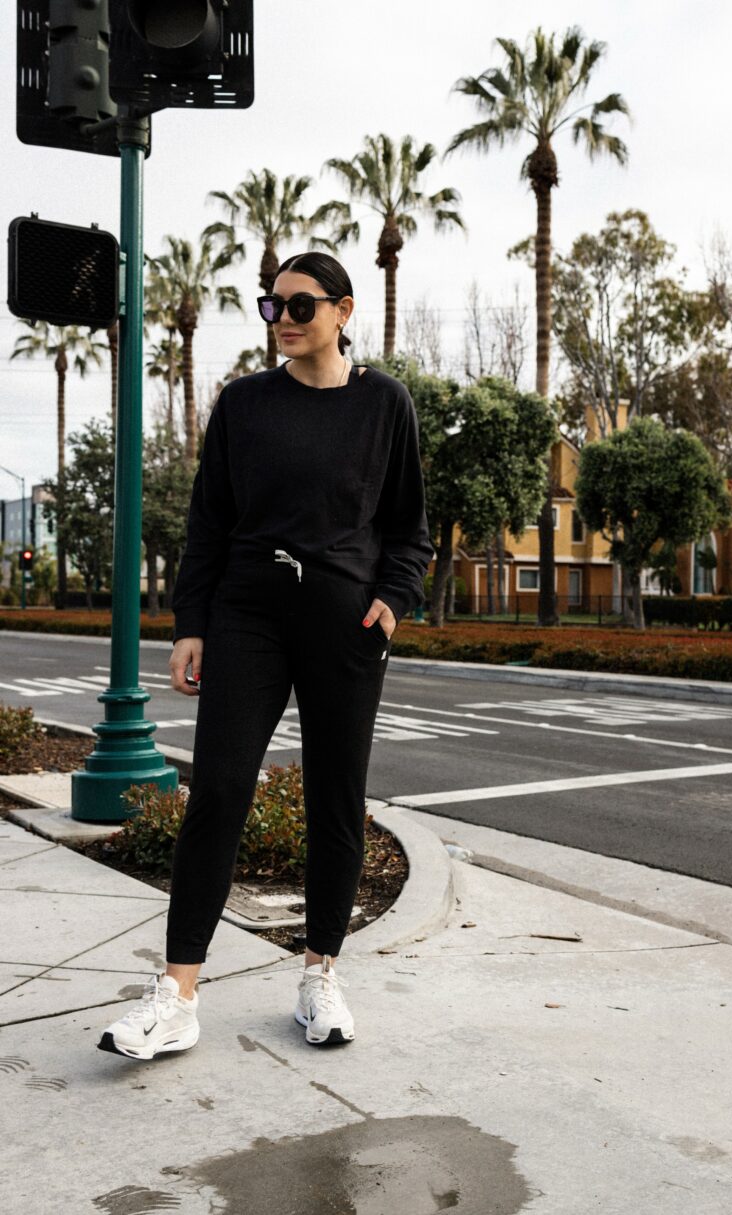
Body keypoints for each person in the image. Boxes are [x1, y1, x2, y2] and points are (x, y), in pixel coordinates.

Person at [98, 251, 433, 1060]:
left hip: (345, 625)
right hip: (247, 615)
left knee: (335, 798)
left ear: (343, 311)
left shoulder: (384, 404)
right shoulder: (244, 403)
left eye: (300, 305)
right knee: (218, 789)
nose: (282, 319)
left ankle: (320, 973)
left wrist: (392, 603)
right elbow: (209, 521)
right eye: (271, 305)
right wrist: (191, 623)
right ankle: (177, 994)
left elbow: (409, 528)